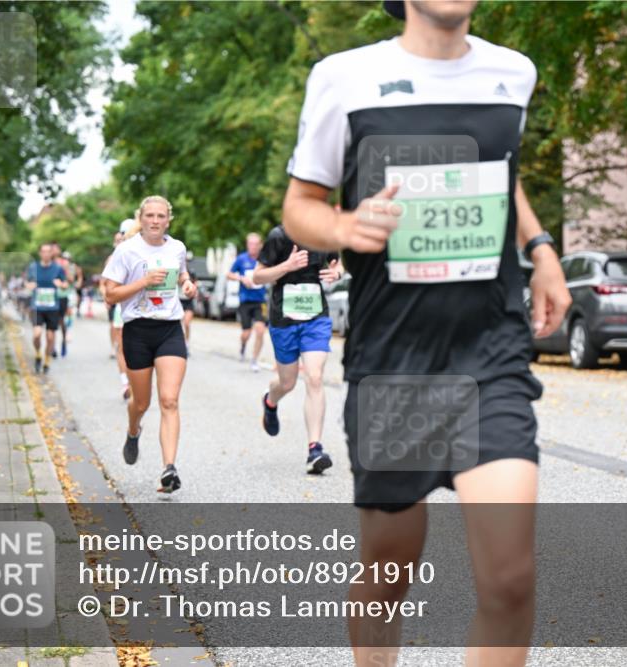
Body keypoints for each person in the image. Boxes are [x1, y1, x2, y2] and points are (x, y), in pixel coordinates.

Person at [281, 1, 571, 664]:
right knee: (390, 568)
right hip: (393, 358)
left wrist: (542, 249)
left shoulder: (513, 74)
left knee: (509, 578)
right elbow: (300, 206)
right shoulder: (344, 77)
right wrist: (343, 226)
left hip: (489, 353)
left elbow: (501, 172)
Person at [103, 196, 197, 494]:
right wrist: (143, 282)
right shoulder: (126, 250)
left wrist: (186, 284)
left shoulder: (177, 247)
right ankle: (133, 431)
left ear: (168, 220)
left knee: (169, 400)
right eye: (150, 216)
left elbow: (182, 272)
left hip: (169, 328)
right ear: (140, 218)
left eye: (161, 216)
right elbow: (110, 294)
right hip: (137, 331)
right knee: (141, 403)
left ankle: (169, 469)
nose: (155, 221)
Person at [253, 225, 342, 475]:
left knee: (314, 377)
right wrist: (287, 266)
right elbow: (257, 277)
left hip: (316, 318)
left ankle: (315, 449)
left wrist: (337, 272)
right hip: (284, 320)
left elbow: (338, 262)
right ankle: (270, 401)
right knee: (287, 383)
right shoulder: (279, 236)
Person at [104, 221, 136, 400]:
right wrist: (107, 296)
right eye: (125, 233)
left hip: (144, 309)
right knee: (122, 347)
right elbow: (104, 283)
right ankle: (125, 382)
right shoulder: (116, 256)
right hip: (122, 307)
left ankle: (137, 381)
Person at [227, 233, 268, 372]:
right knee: (246, 333)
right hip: (245, 301)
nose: (253, 247)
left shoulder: (265, 259)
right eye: (250, 244)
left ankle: (254, 360)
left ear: (260, 245)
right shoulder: (241, 259)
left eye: (255, 244)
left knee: (260, 330)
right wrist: (241, 278)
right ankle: (243, 346)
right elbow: (229, 274)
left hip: (260, 301)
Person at [26, 243, 68, 374]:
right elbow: (27, 281)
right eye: (43, 251)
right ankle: (38, 354)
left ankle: (47, 361)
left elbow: (66, 284)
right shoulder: (33, 267)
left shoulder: (58, 268)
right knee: (37, 334)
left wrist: (61, 284)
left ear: (51, 253)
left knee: (50, 337)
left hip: (52, 308)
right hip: (37, 306)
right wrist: (29, 285)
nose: (45, 254)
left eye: (48, 251)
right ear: (40, 253)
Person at [179, 266, 198, 353]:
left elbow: (195, 284)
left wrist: (194, 290)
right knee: (178, 325)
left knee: (186, 323)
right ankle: (180, 343)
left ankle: (186, 344)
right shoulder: (174, 270)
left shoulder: (191, 272)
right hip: (178, 301)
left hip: (188, 301)